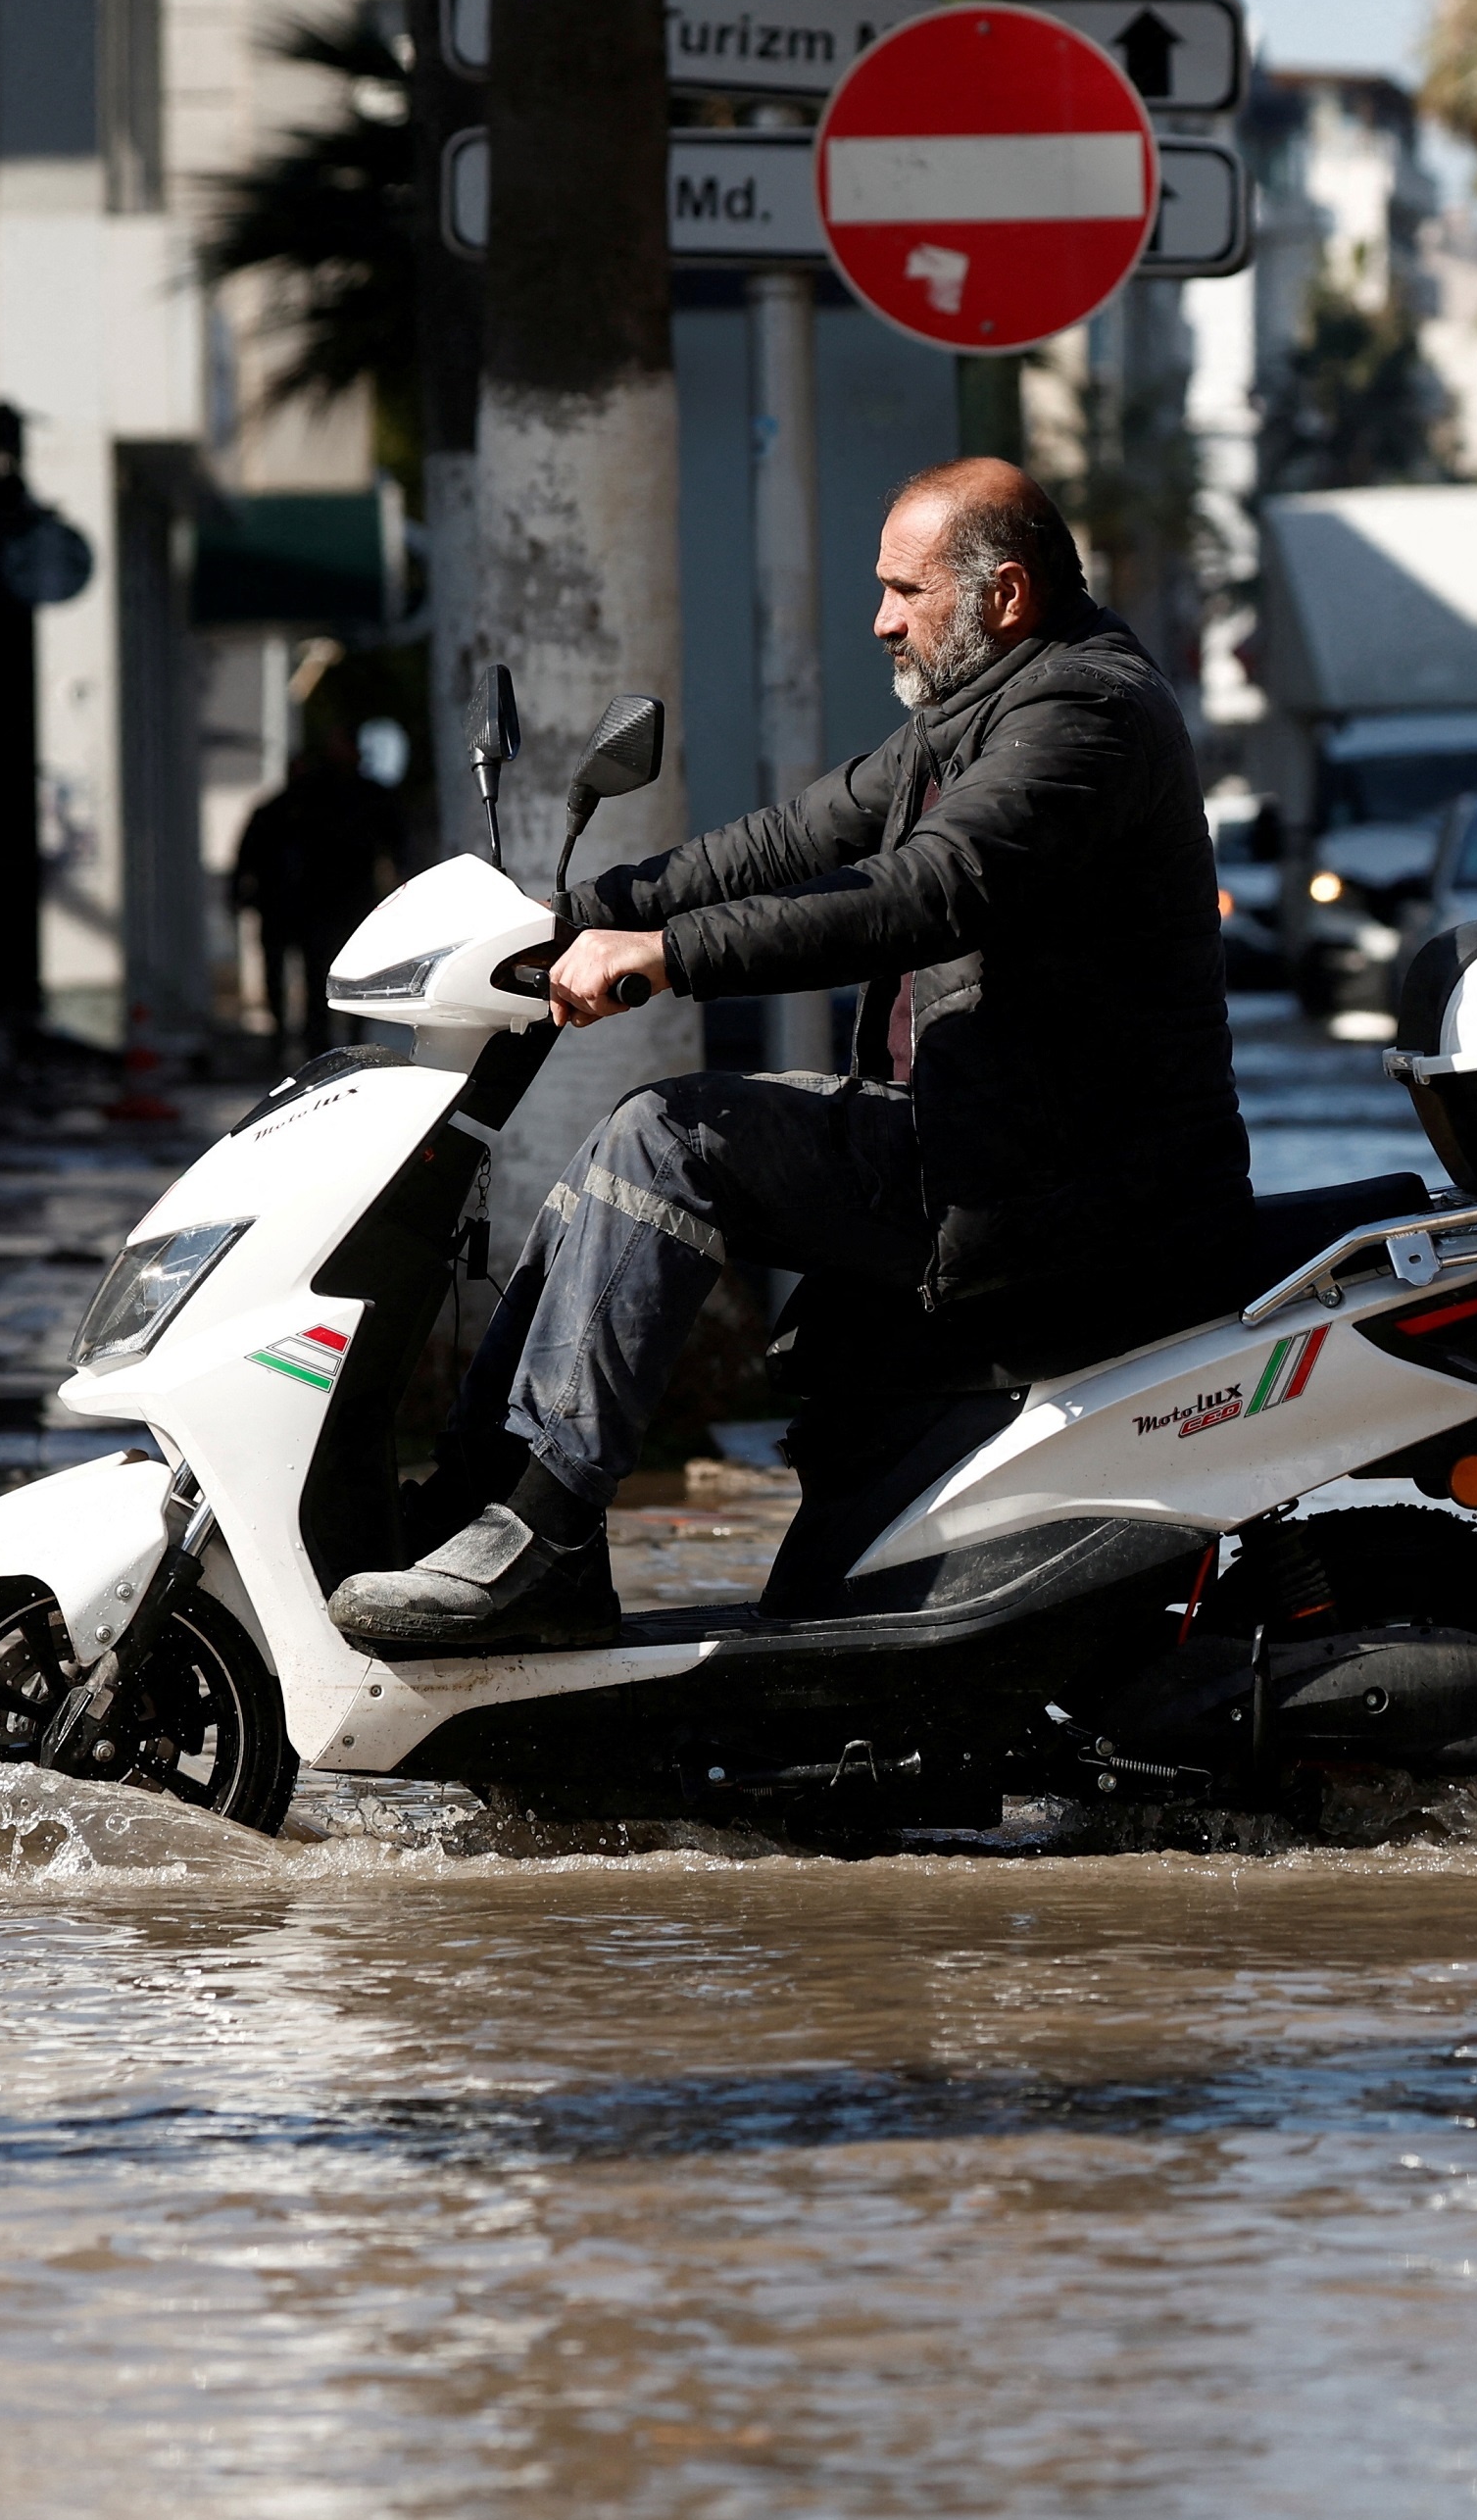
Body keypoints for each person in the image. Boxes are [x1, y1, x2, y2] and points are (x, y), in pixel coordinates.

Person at [329, 458, 1248, 1647]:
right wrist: (566, 916)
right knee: (598, 1182)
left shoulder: (1087, 715)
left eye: (904, 591)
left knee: (665, 1142)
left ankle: (547, 1536)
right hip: (992, 1146)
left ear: (1005, 594)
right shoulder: (971, 716)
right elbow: (790, 839)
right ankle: (477, 1497)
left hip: (1061, 1186)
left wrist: (666, 954)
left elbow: (925, 890)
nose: (880, 618)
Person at [230, 719, 406, 1067]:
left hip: (340, 904)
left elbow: (395, 847)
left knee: (338, 979)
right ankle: (304, 1045)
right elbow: (254, 851)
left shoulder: (361, 796)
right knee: (304, 979)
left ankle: (334, 1045)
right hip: (296, 905)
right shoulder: (295, 802)